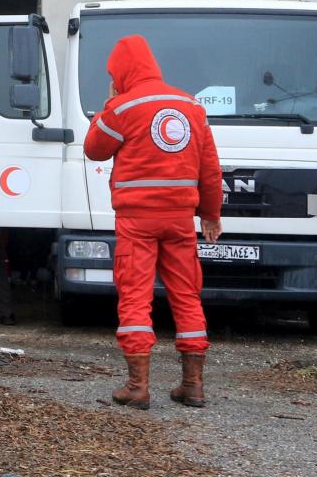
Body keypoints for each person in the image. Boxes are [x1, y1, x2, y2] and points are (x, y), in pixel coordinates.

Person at [83, 34, 222, 410]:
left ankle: (137, 386)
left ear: (120, 72)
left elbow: (94, 149)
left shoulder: (123, 106)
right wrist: (210, 214)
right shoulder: (190, 105)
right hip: (180, 220)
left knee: (135, 295)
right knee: (187, 295)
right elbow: (210, 168)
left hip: (137, 220)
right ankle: (192, 385)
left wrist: (109, 102)